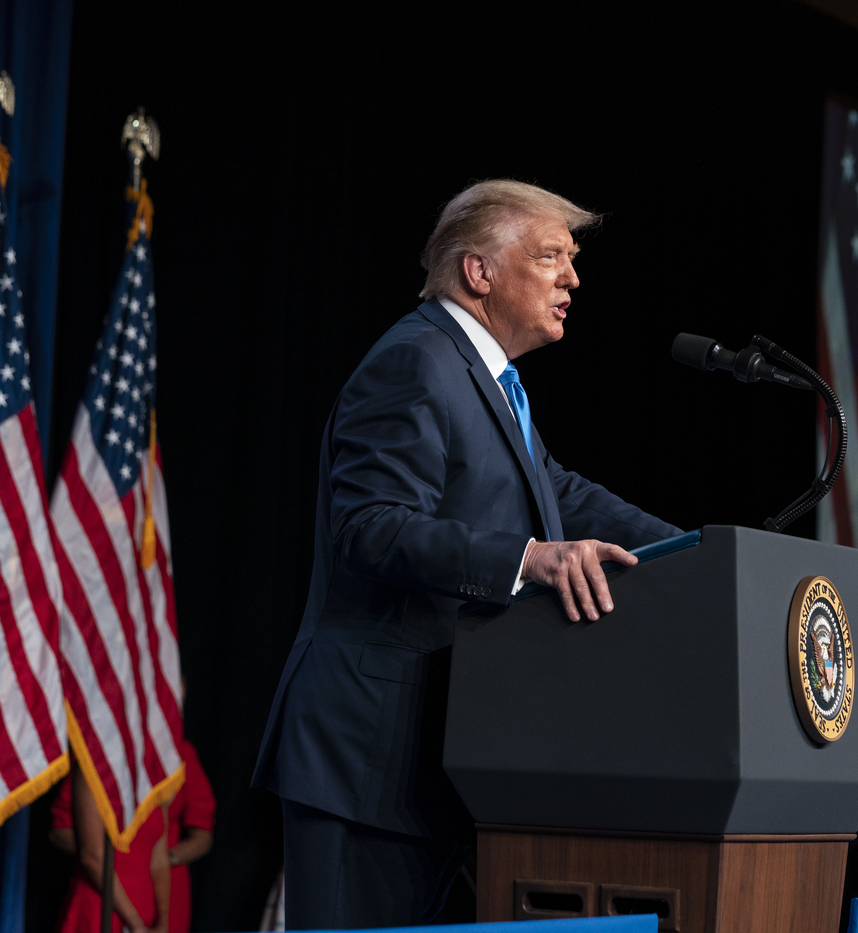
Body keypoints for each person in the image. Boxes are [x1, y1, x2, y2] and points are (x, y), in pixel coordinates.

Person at [250, 179, 682, 928]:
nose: (573, 278)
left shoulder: (485, 376)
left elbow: (559, 490)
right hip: (366, 758)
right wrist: (529, 558)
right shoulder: (415, 360)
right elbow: (370, 524)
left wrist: (695, 548)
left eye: (571, 260)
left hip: (442, 760)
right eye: (551, 256)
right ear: (479, 272)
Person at [53, 767, 170, 933]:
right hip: (101, 909)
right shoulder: (94, 766)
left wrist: (163, 922)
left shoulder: (154, 774)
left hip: (147, 916)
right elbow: (88, 854)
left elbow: (159, 860)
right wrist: (135, 924)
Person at [167, 738, 216, 932]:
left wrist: (165, 860)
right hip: (106, 876)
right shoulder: (103, 748)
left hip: (166, 880)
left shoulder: (181, 752)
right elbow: (63, 826)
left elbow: (203, 834)